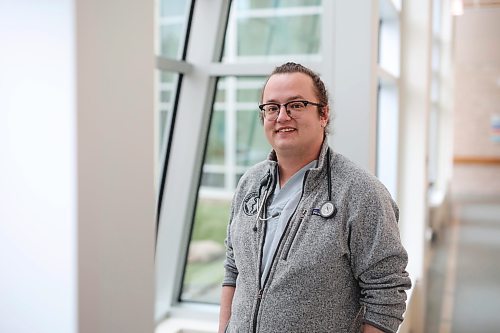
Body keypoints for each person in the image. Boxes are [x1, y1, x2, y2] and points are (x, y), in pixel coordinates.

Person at [218, 62, 411, 333]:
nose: (282, 116)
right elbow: (233, 268)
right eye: (272, 107)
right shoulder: (250, 184)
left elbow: (386, 292)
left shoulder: (361, 192)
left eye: (296, 105)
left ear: (324, 114)